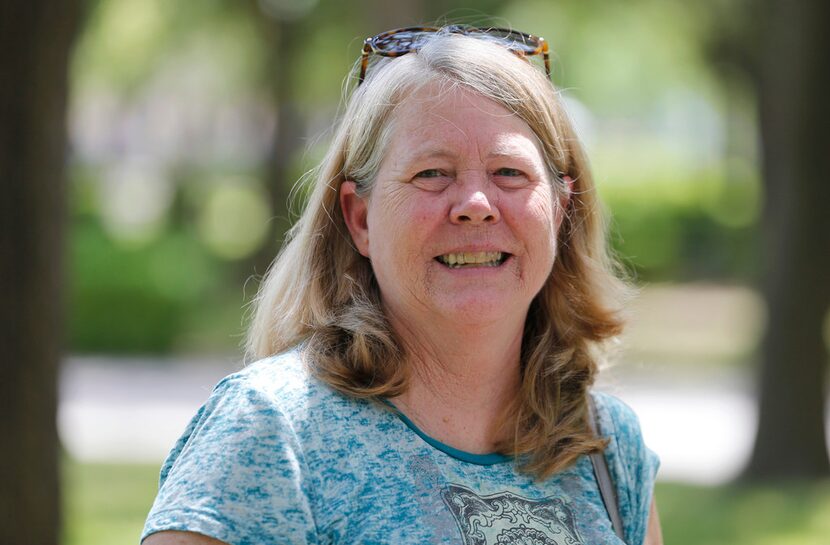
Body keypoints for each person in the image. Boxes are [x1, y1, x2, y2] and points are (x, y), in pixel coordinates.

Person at [142, 25, 662, 545]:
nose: (476, 205)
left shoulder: (608, 449)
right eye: (433, 173)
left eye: (509, 172)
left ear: (560, 209)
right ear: (360, 218)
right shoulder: (273, 432)